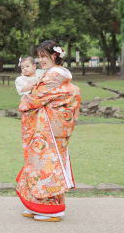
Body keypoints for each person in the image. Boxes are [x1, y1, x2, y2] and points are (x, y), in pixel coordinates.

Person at [15, 40, 81, 222]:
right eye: (39, 56)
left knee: (47, 167)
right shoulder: (55, 75)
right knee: (43, 165)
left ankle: (52, 209)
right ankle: (38, 203)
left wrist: (24, 102)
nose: (40, 60)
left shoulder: (54, 76)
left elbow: (35, 98)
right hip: (51, 129)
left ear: (54, 56)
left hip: (49, 130)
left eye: (43, 56)